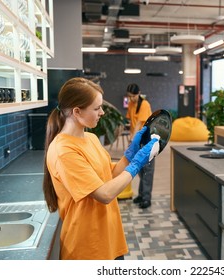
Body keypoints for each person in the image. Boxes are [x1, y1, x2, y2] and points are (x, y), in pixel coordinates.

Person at [42, 77, 159, 260]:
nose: (102, 112)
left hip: (110, 240)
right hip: (88, 248)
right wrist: (136, 164)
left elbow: (109, 174)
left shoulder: (90, 139)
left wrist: (129, 155)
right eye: (97, 108)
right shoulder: (64, 151)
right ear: (77, 112)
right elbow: (104, 194)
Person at [126, 83, 155, 209]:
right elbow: (131, 121)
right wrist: (130, 135)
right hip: (138, 141)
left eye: (134, 96)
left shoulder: (144, 104)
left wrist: (133, 138)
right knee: (140, 168)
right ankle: (142, 194)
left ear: (139, 93)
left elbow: (138, 123)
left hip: (148, 140)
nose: (132, 98)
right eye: (130, 96)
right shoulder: (132, 104)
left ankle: (146, 198)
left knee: (148, 170)